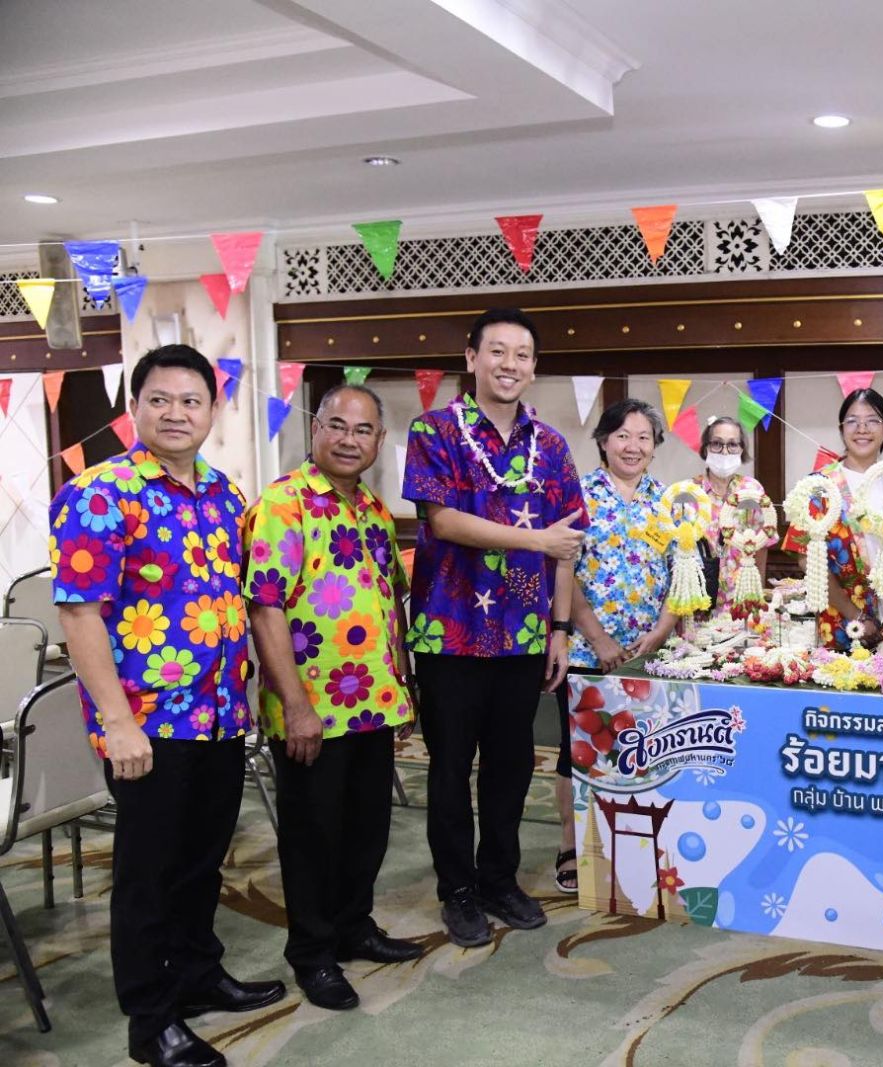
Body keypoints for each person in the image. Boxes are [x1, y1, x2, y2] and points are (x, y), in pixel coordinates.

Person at [50, 345, 285, 1067]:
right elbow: (79, 614)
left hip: (219, 712)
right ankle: (150, 1020)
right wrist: (118, 721)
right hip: (147, 722)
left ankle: (197, 972)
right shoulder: (99, 493)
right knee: (147, 874)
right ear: (135, 407)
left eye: (191, 401)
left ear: (212, 410)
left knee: (202, 859)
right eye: (160, 399)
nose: (176, 413)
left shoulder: (223, 493)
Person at [403, 307, 588, 947]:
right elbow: (443, 521)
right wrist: (534, 540)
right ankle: (457, 891)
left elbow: (568, 545)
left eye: (522, 354)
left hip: (523, 632)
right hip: (449, 630)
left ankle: (499, 880)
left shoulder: (552, 446)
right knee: (450, 767)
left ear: (534, 367)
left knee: (511, 766)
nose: (510, 364)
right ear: (471, 357)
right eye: (498, 351)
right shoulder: (434, 430)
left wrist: (560, 628)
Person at [243, 384, 424, 1013]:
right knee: (312, 835)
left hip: (373, 700)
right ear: (316, 429)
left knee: (367, 828)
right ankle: (313, 953)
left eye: (364, 430)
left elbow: (388, 603)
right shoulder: (283, 504)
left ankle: (353, 926)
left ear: (380, 440)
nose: (350, 439)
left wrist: (403, 685)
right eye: (338, 425)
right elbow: (265, 607)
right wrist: (295, 705)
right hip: (312, 709)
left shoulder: (373, 509)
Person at [559, 399, 676, 890]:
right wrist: (598, 637)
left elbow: (683, 573)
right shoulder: (578, 495)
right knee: (580, 752)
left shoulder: (668, 500)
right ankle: (573, 847)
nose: (633, 446)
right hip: (590, 652)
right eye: (623, 435)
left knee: (644, 753)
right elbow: (562, 571)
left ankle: (640, 850)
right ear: (604, 441)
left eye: (644, 437)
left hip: (653, 654)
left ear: (655, 446)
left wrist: (663, 630)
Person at [779, 388, 883, 649]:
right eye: (852, 421)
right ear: (842, 429)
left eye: (872, 421)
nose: (862, 429)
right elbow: (806, 558)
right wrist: (856, 615)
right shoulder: (818, 486)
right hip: (841, 621)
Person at [694, 416, 777, 617]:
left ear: (742, 449)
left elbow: (762, 547)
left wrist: (756, 595)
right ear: (706, 447)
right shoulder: (691, 492)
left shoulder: (752, 490)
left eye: (732, 445)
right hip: (699, 604)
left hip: (741, 602)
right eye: (717, 443)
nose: (724, 451)